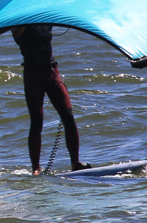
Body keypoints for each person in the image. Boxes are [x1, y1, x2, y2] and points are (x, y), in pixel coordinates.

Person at [13, 24, 90, 175]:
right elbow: (17, 31)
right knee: (36, 120)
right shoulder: (19, 25)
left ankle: (75, 163)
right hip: (33, 75)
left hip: (52, 71)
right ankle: (36, 168)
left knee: (68, 116)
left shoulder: (45, 20)